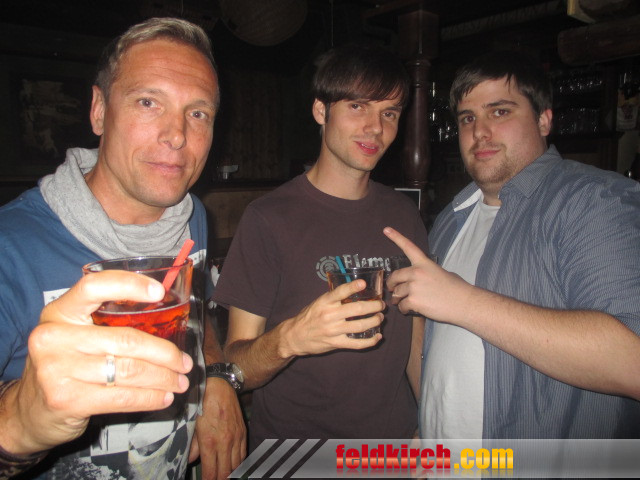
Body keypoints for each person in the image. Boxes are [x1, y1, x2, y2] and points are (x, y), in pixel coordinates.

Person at [0, 17, 246, 479]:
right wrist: (18, 421)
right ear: (98, 111)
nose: (177, 135)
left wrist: (215, 376)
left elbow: (197, 314)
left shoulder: (190, 217)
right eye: (148, 102)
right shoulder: (9, 247)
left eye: (197, 113)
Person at [385, 50, 640, 440]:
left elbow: (632, 363)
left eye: (500, 112)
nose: (480, 132)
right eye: (467, 118)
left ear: (543, 119)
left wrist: (462, 301)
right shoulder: (453, 218)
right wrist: (429, 424)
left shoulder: (595, 200)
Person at [213, 43, 429, 450]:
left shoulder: (404, 215)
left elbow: (415, 339)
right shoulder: (268, 218)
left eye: (389, 113)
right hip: (297, 454)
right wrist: (292, 338)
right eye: (358, 106)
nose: (375, 128)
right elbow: (235, 364)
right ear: (320, 111)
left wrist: (431, 423)